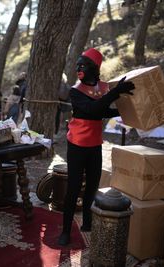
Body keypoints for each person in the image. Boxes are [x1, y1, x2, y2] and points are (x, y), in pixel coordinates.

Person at [58, 48, 135, 246]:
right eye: (77, 65)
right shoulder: (75, 91)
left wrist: (125, 110)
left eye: (82, 65)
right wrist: (116, 92)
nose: (78, 69)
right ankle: (66, 230)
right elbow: (92, 109)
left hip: (94, 144)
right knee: (74, 187)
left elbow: (101, 111)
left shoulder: (103, 87)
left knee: (93, 185)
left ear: (94, 68)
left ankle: (87, 222)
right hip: (76, 144)